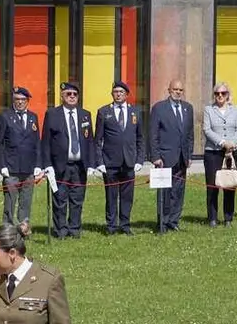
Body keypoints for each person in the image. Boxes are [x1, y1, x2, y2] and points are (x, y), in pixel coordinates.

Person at [40, 81, 95, 239]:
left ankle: (75, 229)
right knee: (60, 199)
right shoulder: (52, 114)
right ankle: (61, 230)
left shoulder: (85, 114)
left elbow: (89, 141)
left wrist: (91, 164)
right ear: (62, 96)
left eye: (75, 94)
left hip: (79, 166)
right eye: (68, 94)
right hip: (60, 165)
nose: (72, 97)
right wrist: (47, 165)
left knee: (77, 199)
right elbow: (46, 142)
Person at [95, 80, 145, 235]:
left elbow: (140, 138)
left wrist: (139, 160)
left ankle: (125, 225)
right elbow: (98, 139)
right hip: (110, 162)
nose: (118, 94)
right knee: (111, 196)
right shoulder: (104, 112)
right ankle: (111, 226)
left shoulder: (135, 112)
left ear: (127, 94)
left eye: (121, 92)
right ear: (112, 94)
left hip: (129, 162)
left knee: (127, 196)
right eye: (115, 92)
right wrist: (100, 162)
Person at [147, 80, 195, 233]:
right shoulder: (159, 108)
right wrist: (155, 156)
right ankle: (162, 222)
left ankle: (174, 221)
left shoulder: (188, 108)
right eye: (175, 89)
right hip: (164, 158)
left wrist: (189, 155)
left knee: (178, 191)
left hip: (182, 157)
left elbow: (190, 134)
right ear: (169, 90)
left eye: (180, 90)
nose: (178, 92)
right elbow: (153, 134)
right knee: (165, 192)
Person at [0, 86, 42, 236]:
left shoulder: (33, 117)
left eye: (23, 99)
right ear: (13, 100)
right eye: (17, 99)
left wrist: (38, 165)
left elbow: (37, 143)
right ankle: (8, 231)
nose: (20, 102)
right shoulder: (5, 116)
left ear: (27, 101)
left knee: (26, 201)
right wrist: (2, 165)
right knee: (10, 202)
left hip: (28, 168)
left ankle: (23, 229)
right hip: (11, 167)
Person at [202, 81, 237, 228]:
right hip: (213, 153)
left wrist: (231, 144)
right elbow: (207, 130)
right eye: (217, 93)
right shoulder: (208, 110)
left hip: (233, 152)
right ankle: (212, 218)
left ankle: (228, 218)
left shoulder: (236, 110)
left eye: (223, 93)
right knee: (212, 186)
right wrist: (222, 143)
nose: (220, 95)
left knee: (229, 185)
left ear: (227, 95)